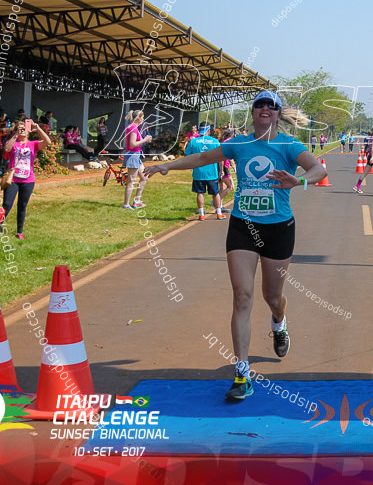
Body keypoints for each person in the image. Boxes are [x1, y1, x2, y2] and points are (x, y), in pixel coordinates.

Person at [143, 91, 327, 402]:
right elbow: (203, 159)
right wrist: (168, 166)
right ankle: (242, 373)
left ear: (279, 114)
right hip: (243, 226)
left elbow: (318, 169)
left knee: (273, 296)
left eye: (271, 106)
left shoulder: (289, 145)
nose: (265, 109)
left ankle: (279, 323)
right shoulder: (239, 144)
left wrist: (299, 181)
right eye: (259, 105)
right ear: (253, 113)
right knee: (242, 296)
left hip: (279, 229)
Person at [2, 119, 51, 240]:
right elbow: (7, 149)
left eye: (24, 128)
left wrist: (38, 128)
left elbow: (47, 141)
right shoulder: (13, 142)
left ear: (28, 131)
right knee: (7, 204)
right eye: (19, 128)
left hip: (28, 180)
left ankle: (19, 231)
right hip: (12, 179)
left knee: (22, 205)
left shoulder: (32, 144)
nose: (22, 130)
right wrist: (15, 135)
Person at [184, 124, 225, 220]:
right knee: (215, 193)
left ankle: (201, 214)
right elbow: (221, 157)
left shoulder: (193, 141)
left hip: (198, 172)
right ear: (209, 130)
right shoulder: (215, 141)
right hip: (212, 172)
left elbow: (187, 156)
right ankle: (219, 213)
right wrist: (222, 170)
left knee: (200, 193)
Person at [122, 110, 153, 210]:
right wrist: (145, 140)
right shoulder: (133, 128)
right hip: (132, 156)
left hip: (135, 155)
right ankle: (126, 204)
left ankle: (137, 201)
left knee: (144, 177)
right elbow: (132, 144)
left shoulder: (133, 127)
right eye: (143, 117)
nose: (143, 119)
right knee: (131, 181)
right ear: (138, 118)